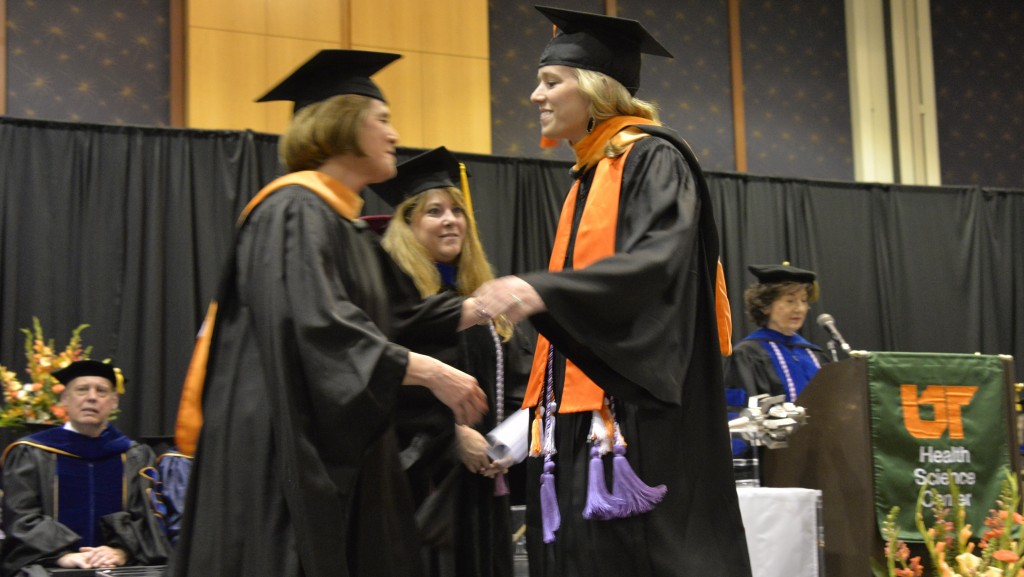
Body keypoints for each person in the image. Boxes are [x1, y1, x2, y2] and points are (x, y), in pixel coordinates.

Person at [169, 50, 488, 577]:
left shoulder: (345, 228)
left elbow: (401, 316)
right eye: (381, 120)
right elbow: (318, 328)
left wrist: (488, 305)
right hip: (285, 448)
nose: (393, 134)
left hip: (334, 450)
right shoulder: (291, 211)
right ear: (341, 124)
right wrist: (430, 371)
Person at [469, 7, 752, 577]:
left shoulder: (652, 156)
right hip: (583, 422)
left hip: (636, 417)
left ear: (596, 91)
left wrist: (541, 289)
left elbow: (657, 266)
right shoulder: (592, 172)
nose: (535, 96)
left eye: (551, 82)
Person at [372, 146, 530, 577]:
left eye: (457, 210)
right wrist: (452, 435)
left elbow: (519, 384)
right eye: (434, 211)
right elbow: (377, 382)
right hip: (424, 483)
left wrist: (508, 444)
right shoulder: (397, 302)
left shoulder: (482, 301)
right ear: (407, 225)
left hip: (485, 482)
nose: (450, 220)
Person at [1, 360, 171, 577]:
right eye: (82, 390)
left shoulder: (134, 456)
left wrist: (122, 551)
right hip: (48, 568)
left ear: (114, 401)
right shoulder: (31, 453)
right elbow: (20, 517)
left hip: (121, 569)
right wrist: (63, 555)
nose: (92, 397)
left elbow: (147, 518)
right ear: (65, 399)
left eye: (101, 391)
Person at [724, 263, 829, 404]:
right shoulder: (746, 355)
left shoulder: (814, 353)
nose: (799, 308)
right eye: (790, 301)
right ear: (765, 306)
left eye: (804, 300)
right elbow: (736, 409)